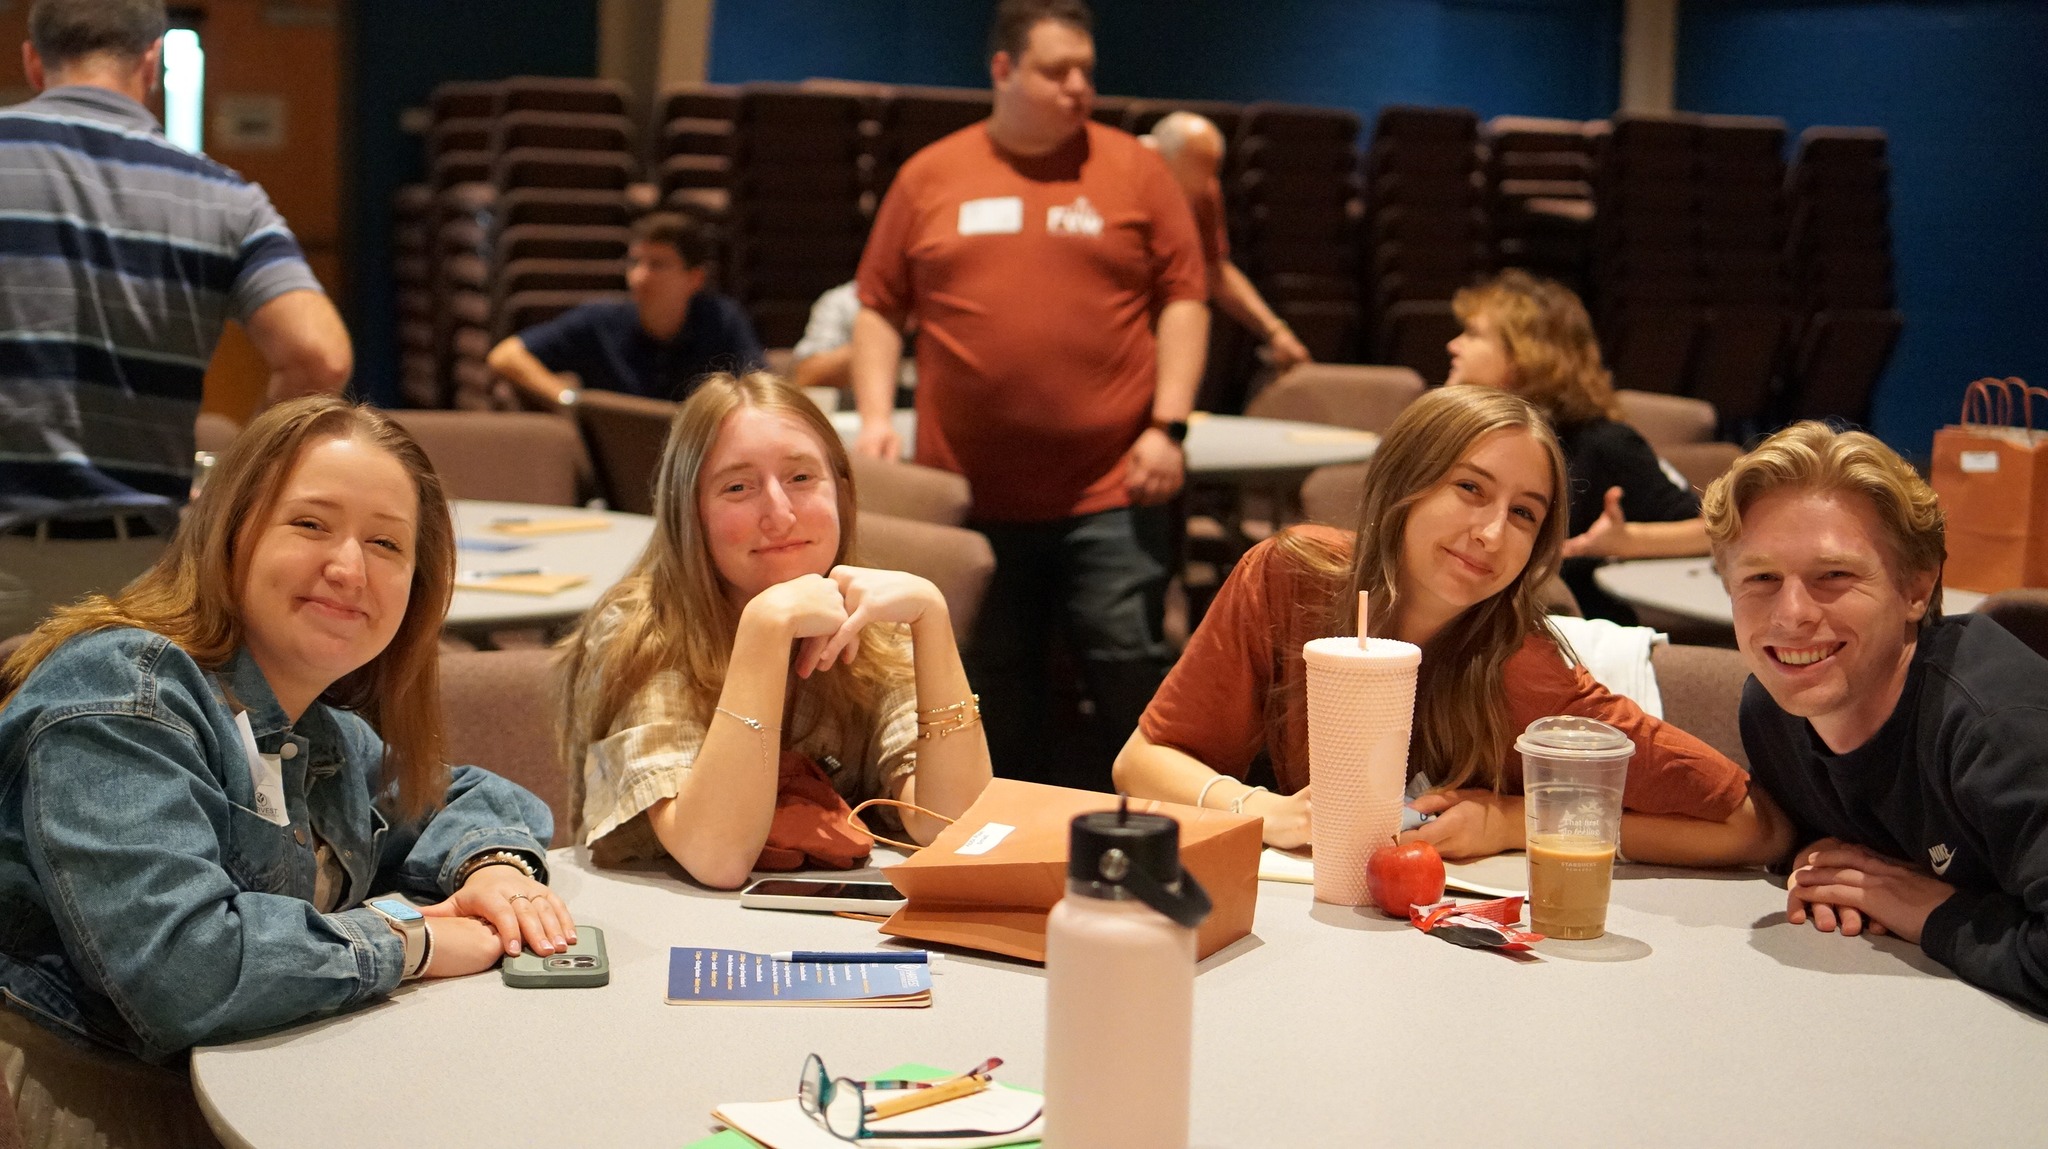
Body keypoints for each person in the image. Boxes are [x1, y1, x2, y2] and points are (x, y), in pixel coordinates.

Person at [0, 395, 566, 1144]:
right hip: (106, 1097)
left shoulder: (312, 726)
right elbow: (183, 971)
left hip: (276, 1082)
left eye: (386, 543)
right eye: (310, 524)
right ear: (231, 531)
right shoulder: (123, 692)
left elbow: (460, 794)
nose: (349, 568)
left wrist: (494, 866)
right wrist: (411, 939)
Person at [1116, 385, 1789, 866]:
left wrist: (1512, 823)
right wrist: (1265, 809)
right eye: (1470, 488)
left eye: (1524, 514)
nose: (1492, 533)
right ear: (1405, 483)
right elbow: (1140, 761)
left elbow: (1754, 826)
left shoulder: (1524, 671)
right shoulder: (1292, 577)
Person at [849, 0, 1210, 789]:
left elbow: (1186, 298)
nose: (1079, 86)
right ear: (1003, 69)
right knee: (990, 681)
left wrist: (1169, 425)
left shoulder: (1136, 170)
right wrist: (876, 418)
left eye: (1086, 69)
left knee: (1126, 664)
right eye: (1057, 70)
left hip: (1111, 486)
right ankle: (1002, 828)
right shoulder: (931, 174)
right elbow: (877, 305)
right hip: (967, 493)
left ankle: (1172, 821)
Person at [558, 373, 993, 890]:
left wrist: (933, 620)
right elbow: (716, 857)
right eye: (738, 487)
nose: (780, 514)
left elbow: (955, 829)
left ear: (842, 492)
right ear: (689, 512)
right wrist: (764, 631)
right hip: (668, 924)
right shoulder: (643, 629)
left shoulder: (873, 621)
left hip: (836, 920)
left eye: (801, 478)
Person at [0, 0, 352, 636]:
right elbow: (319, 356)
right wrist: (235, 488)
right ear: (151, 62)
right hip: (140, 573)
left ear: (33, 61)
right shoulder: (226, 198)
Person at [1707, 422, 2048, 1015]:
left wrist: (1932, 911)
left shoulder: (1999, 731)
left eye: (1834, 575)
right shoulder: (1771, 710)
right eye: (1761, 578)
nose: (1791, 615)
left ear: (1916, 588)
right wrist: (1815, 858)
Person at [1447, 269, 1706, 621]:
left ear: (1525, 355)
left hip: (1571, 631)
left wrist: (1629, 540)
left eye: (1473, 334)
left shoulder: (1605, 443)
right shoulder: (1467, 432)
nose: (1453, 345)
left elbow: (1713, 532)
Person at [486, 211, 761, 407]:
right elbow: (505, 355)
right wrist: (569, 399)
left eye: (657, 265)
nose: (639, 277)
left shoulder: (722, 320)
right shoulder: (599, 322)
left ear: (695, 278)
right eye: (635, 263)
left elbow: (758, 388)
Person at [1144, 111, 1312, 370]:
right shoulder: (1117, 183)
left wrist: (1276, 332)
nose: (1196, 196)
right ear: (1154, 157)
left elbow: (1214, 270)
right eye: (1183, 191)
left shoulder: (1204, 191)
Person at [788, 280, 917, 398]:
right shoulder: (844, 301)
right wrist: (879, 337)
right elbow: (806, 376)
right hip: (856, 409)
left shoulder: (928, 300)